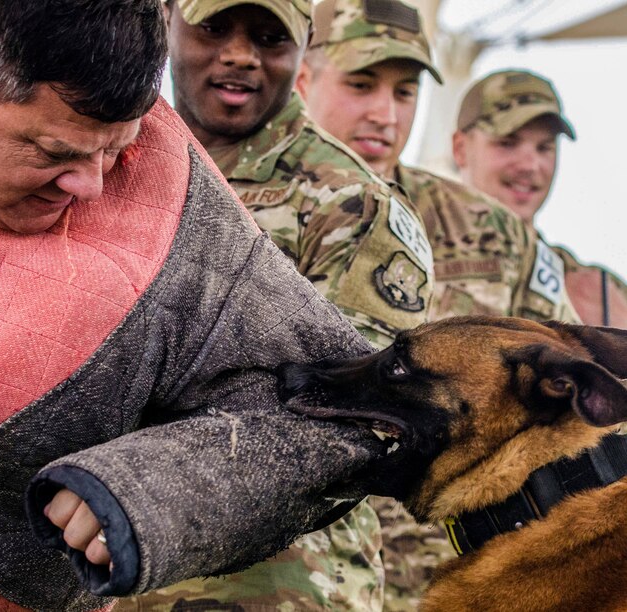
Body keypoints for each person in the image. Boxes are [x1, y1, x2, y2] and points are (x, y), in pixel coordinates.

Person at [0, 0, 396, 607]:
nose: (91, 187)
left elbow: (349, 413)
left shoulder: (174, 208)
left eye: (116, 152)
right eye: (55, 153)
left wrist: (151, 488)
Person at [121, 0, 435, 609]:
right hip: (109, 572)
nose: (240, 55)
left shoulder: (353, 206)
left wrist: (125, 484)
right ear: (166, 21)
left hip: (277, 587)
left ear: (304, 45)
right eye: (214, 28)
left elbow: (352, 419)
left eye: (268, 36)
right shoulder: (104, 160)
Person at [294, 2, 582, 609]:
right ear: (303, 79)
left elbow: (572, 408)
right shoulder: (247, 211)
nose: (385, 113)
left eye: (405, 91)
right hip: (299, 581)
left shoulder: (493, 233)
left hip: (457, 584)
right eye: (361, 84)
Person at [451, 69, 627, 473]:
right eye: (507, 143)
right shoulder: (413, 261)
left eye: (545, 147)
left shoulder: (590, 287)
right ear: (461, 149)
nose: (530, 164)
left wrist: (623, 332)